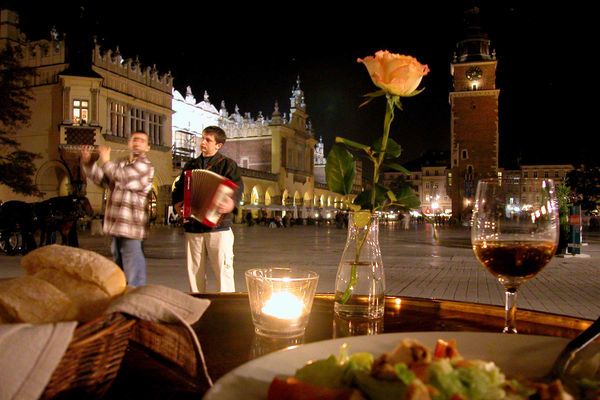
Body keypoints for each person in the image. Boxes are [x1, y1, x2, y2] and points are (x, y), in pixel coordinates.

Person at [172, 126, 243, 292]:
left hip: (219, 227)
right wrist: (177, 204)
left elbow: (238, 188)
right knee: (194, 271)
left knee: (223, 271)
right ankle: (197, 305)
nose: (202, 142)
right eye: (202, 138)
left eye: (208, 140)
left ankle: (227, 307)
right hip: (193, 227)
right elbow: (179, 188)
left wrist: (232, 204)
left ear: (218, 145)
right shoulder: (191, 165)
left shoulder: (227, 165)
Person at [81, 131, 154, 287]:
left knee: (133, 268)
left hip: (131, 225)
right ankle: (122, 299)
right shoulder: (120, 163)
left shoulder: (145, 166)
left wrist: (106, 161)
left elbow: (122, 177)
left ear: (147, 147)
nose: (137, 143)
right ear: (128, 144)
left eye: (142, 141)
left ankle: (136, 299)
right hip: (115, 224)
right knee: (118, 268)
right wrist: (89, 164)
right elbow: (102, 180)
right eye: (134, 140)